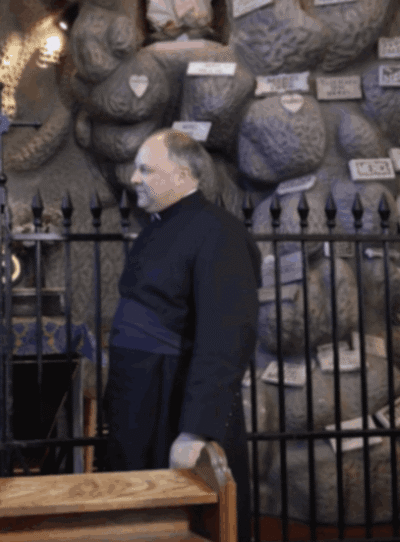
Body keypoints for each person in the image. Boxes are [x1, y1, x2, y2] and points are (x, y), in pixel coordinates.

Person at [104, 128, 260, 542]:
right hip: (139, 402)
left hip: (173, 405)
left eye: (145, 169)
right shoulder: (157, 227)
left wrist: (196, 430)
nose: (133, 178)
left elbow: (226, 337)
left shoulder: (219, 232)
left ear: (184, 173)